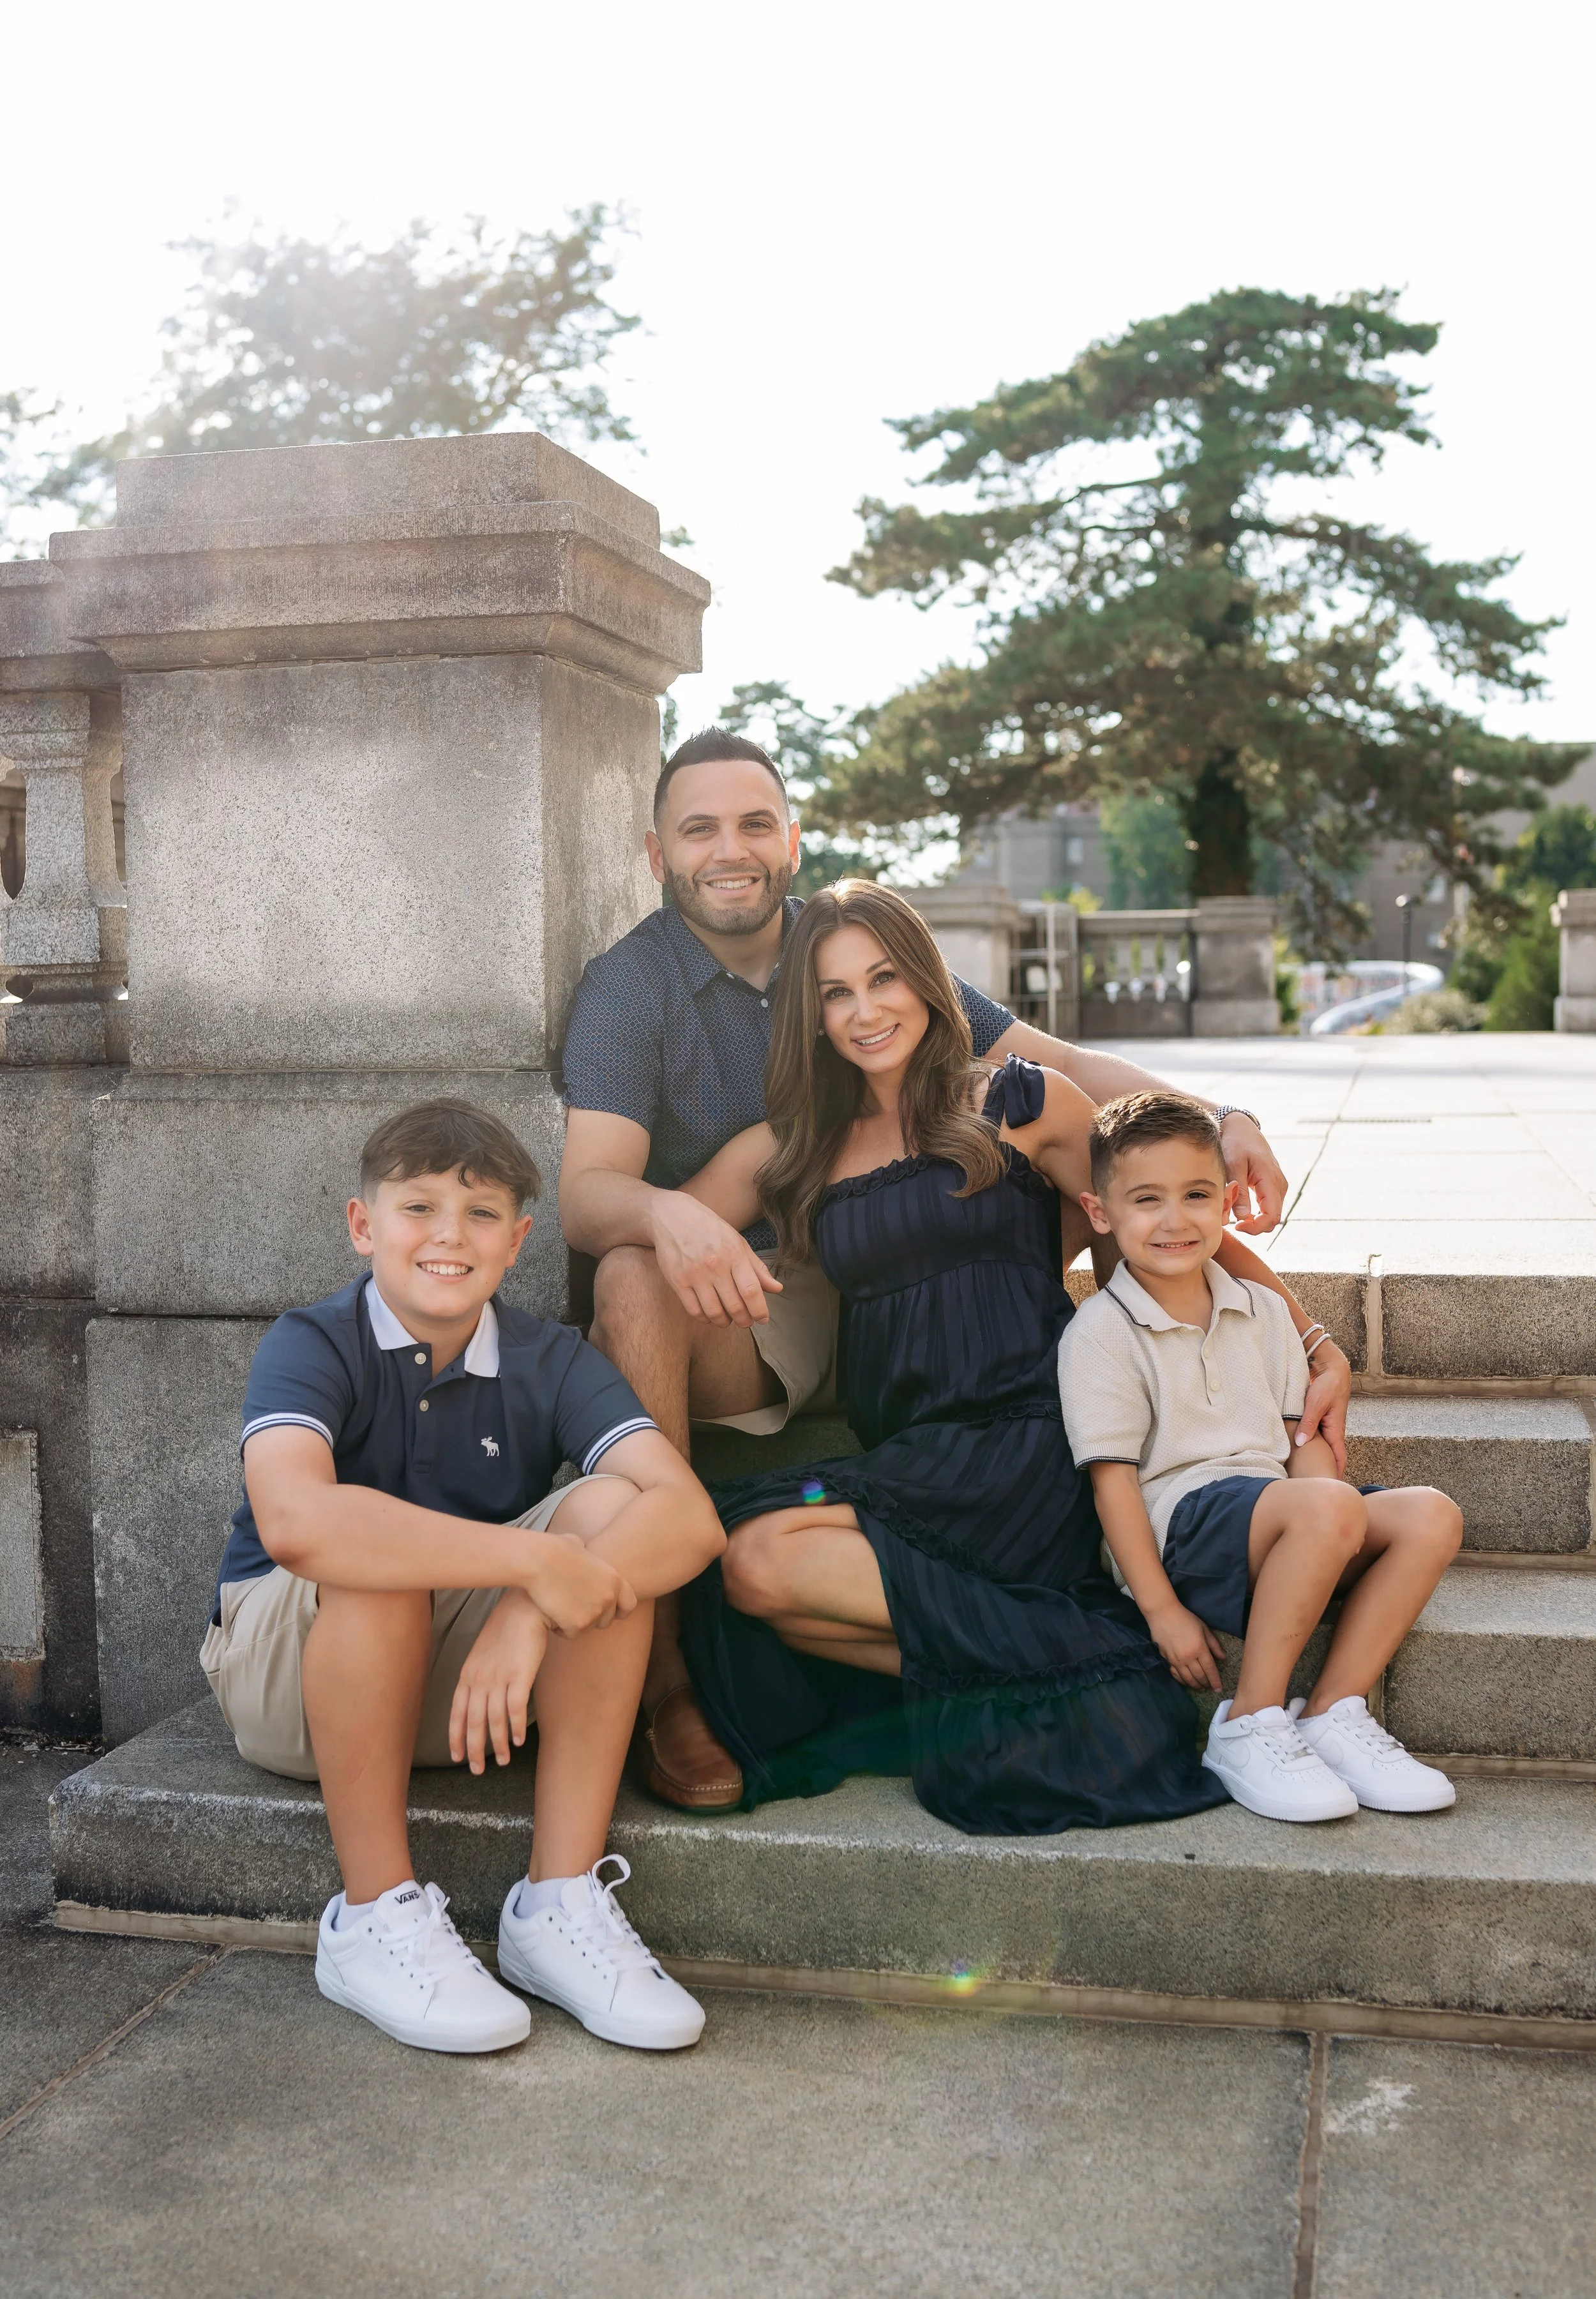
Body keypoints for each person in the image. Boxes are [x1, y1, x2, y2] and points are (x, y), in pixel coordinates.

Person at [559, 728, 1340, 1808]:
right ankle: (1048, 1660)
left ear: (791, 840)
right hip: (833, 1358)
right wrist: (666, 1218)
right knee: (745, 1555)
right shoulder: (762, 1109)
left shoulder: (1009, 1098)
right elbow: (590, 1200)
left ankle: (1093, 1658)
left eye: (884, 983)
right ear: (657, 852)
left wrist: (1296, 1318)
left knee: (762, 1571)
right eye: (836, 996)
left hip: (1023, 1427)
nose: (864, 1008)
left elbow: (1149, 1203)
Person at [200, 1098, 726, 2055]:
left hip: (466, 1681)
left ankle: (557, 1904)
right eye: (418, 1208)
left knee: (616, 1513)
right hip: (288, 1673)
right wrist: (533, 1561)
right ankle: (372, 1918)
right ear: (364, 1226)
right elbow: (297, 1520)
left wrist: (532, 1609)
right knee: (380, 1553)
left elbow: (689, 1517)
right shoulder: (311, 1341)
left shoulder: (549, 1356)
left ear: (519, 1239)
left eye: (481, 1213)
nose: (450, 1235)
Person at [1059, 1090, 1462, 1821]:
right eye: (1146, 1200)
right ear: (1100, 1212)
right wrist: (1159, 1612)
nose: (1175, 1219)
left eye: (1197, 1195)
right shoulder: (1101, 1331)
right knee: (1327, 1502)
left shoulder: (1265, 1310)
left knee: (1430, 1515)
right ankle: (1249, 1721)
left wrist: (1328, 1537)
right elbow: (1112, 1489)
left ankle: (1334, 1712)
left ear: (1226, 1203)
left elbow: (1302, 1448)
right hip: (1184, 1532)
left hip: (1276, 1513)